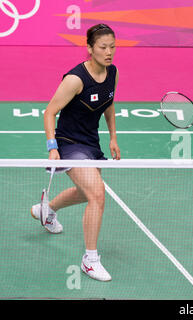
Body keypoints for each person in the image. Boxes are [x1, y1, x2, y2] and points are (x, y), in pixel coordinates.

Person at [30, 24, 121, 282]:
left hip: (92, 143)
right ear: (90, 48)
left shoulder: (112, 72)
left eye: (112, 47)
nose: (109, 52)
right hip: (70, 144)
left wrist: (113, 137)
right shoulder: (75, 79)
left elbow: (109, 104)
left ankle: (46, 210)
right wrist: (52, 147)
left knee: (85, 192)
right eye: (103, 47)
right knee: (97, 195)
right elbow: (49, 112)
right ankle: (90, 260)